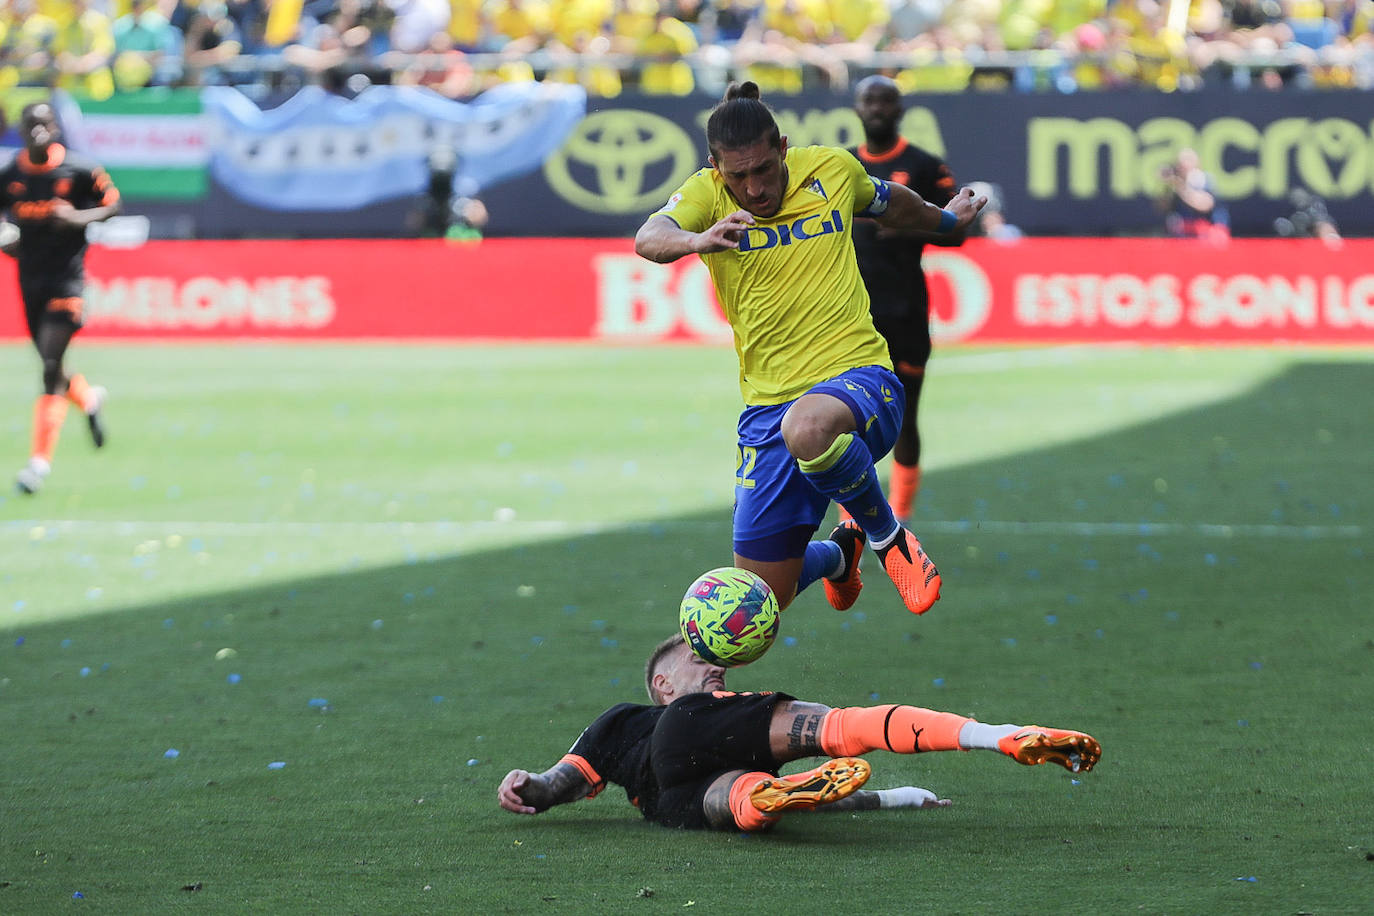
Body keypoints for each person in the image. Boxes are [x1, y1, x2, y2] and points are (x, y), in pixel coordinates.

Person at [634, 81, 986, 619]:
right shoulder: (706, 196)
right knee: (754, 608)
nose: (753, 189)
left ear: (782, 146)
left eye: (763, 169)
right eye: (738, 176)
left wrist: (946, 220)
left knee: (809, 427)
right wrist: (694, 240)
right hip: (766, 411)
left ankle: (886, 536)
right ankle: (836, 559)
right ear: (715, 167)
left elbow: (893, 206)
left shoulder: (830, 169)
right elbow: (649, 236)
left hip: (861, 382)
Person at [497, 633, 1102, 832]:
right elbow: (561, 781)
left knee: (743, 795)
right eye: (697, 656)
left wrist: (895, 797)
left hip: (670, 805)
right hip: (683, 737)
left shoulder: (617, 731)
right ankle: (1000, 735)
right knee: (841, 726)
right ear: (661, 682)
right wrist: (537, 784)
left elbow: (559, 786)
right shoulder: (644, 714)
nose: (715, 663)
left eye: (718, 659)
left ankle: (769, 797)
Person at [848, 74, 963, 525]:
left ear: (899, 110)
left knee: (905, 417)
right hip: (851, 314)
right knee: (848, 420)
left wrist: (907, 225)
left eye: (885, 101)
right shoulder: (841, 167)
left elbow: (957, 231)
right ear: (857, 109)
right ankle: (854, 517)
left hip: (906, 310)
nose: (876, 109)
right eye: (868, 101)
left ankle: (902, 515)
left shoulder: (924, 164)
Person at [0, 101, 119, 495]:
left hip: (68, 281)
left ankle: (38, 464)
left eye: (44, 124)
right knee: (52, 363)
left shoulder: (81, 170)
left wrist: (78, 219)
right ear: (21, 128)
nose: (38, 131)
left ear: (55, 128)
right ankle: (87, 398)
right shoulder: (11, 174)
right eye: (30, 124)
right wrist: (6, 238)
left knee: (51, 365)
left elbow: (113, 204)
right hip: (29, 280)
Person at [1158, 147, 1229, 244]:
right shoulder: (1174, 183)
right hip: (1180, 236)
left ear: (1197, 163)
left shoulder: (1204, 180)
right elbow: (1161, 208)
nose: (1183, 165)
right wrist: (1165, 187)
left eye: (1187, 160)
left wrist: (1180, 187)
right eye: (1180, 163)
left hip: (1204, 235)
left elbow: (1205, 205)